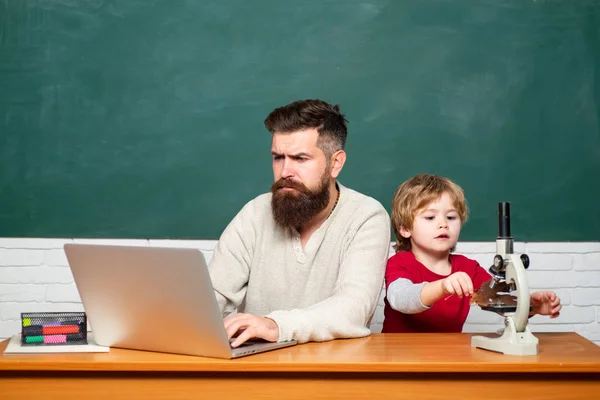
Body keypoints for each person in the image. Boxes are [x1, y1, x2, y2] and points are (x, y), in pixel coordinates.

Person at [208, 99, 391, 347]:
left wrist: (276, 326)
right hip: (256, 371)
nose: (285, 171)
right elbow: (211, 297)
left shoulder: (367, 217)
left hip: (333, 373)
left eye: (300, 158)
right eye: (277, 157)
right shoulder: (254, 213)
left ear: (335, 163)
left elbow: (354, 307)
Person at [382, 173, 562, 333]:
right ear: (405, 229)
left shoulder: (468, 268)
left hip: (447, 357)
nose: (443, 224)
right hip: (400, 357)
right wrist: (442, 286)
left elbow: (498, 300)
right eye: (430, 217)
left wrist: (531, 306)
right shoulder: (400, 263)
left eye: (451, 217)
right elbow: (401, 299)